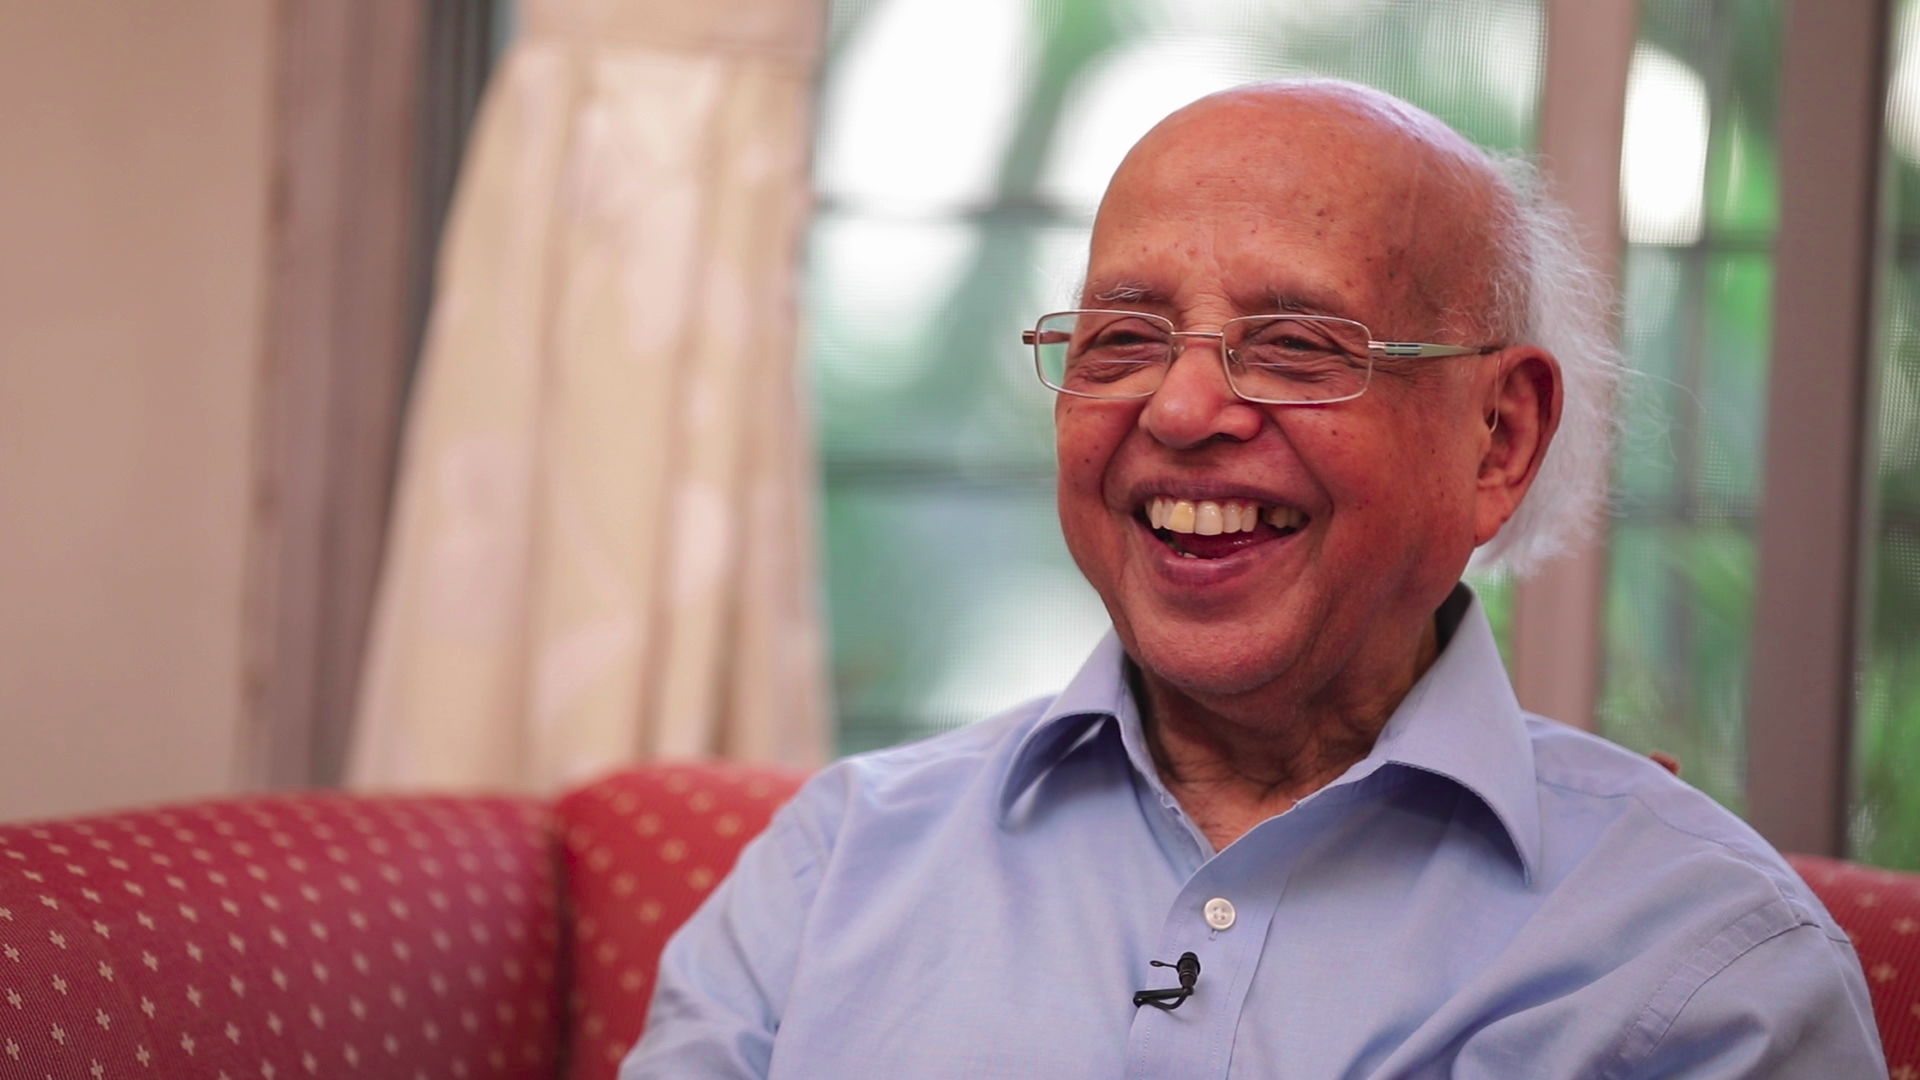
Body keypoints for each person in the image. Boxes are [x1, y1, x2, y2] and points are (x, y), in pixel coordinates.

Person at [622, 80, 1886, 1078]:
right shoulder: (833, 868)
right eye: (1123, 339)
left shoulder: (1705, 960)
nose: (1180, 409)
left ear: (1497, 439)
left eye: (1294, 345)